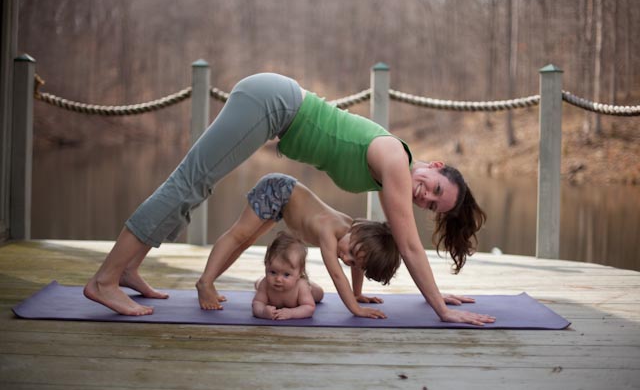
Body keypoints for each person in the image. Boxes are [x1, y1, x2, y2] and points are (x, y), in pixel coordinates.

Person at [84, 72, 495, 326]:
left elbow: (386, 241)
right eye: (434, 188)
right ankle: (104, 280)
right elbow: (408, 245)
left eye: (431, 205)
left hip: (274, 104)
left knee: (195, 185)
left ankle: (126, 270)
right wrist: (441, 308)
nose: (424, 196)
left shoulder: (394, 175)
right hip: (273, 102)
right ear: (435, 165)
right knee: (190, 182)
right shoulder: (393, 160)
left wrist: (437, 294)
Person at [198, 173, 400, 319]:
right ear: (355, 232)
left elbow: (357, 266)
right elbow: (337, 275)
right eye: (351, 253)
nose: (347, 259)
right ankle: (205, 282)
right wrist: (355, 309)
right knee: (239, 234)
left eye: (355, 261)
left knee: (247, 241)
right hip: (277, 189)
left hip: (284, 203)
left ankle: (210, 282)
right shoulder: (328, 231)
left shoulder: (351, 235)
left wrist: (357, 294)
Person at [251, 231, 317, 320]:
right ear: (266, 265)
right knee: (259, 286)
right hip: (264, 286)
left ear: (300, 272)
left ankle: (311, 285)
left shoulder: (301, 286)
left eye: (286, 274)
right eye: (273, 272)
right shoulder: (266, 283)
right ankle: (258, 282)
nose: (278, 279)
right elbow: (257, 303)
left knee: (318, 294)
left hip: (309, 289)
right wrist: (263, 312)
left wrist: (291, 313)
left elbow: (309, 308)